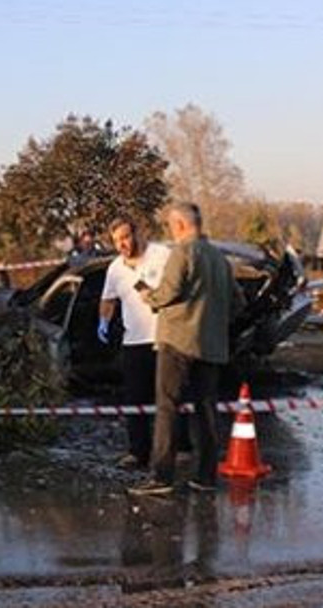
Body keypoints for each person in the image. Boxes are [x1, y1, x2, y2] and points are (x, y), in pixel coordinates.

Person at [130, 203, 244, 496]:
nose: (170, 231)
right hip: (212, 346)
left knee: (167, 407)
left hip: (178, 342)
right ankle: (206, 476)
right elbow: (238, 303)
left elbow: (167, 293)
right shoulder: (221, 259)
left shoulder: (181, 253)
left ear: (179, 224)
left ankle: (161, 477)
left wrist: (146, 293)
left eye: (170, 225)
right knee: (206, 410)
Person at [98, 217, 172, 470]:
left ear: (137, 233)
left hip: (165, 338)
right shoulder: (115, 268)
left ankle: (179, 449)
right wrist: (103, 321)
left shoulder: (161, 255)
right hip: (134, 342)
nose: (122, 244)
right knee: (135, 400)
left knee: (169, 397)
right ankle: (138, 452)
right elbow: (107, 300)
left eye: (126, 237)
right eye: (117, 241)